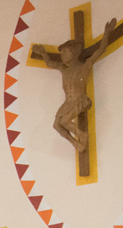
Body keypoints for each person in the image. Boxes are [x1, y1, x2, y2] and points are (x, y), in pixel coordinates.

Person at [32, 18, 117, 153]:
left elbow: (100, 50)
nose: (62, 56)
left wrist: (107, 33)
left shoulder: (84, 67)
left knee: (65, 121)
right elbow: (50, 63)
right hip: (68, 102)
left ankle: (82, 135)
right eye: (61, 53)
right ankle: (76, 143)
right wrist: (43, 53)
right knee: (56, 125)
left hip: (80, 99)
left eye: (65, 52)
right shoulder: (63, 69)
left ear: (74, 52)